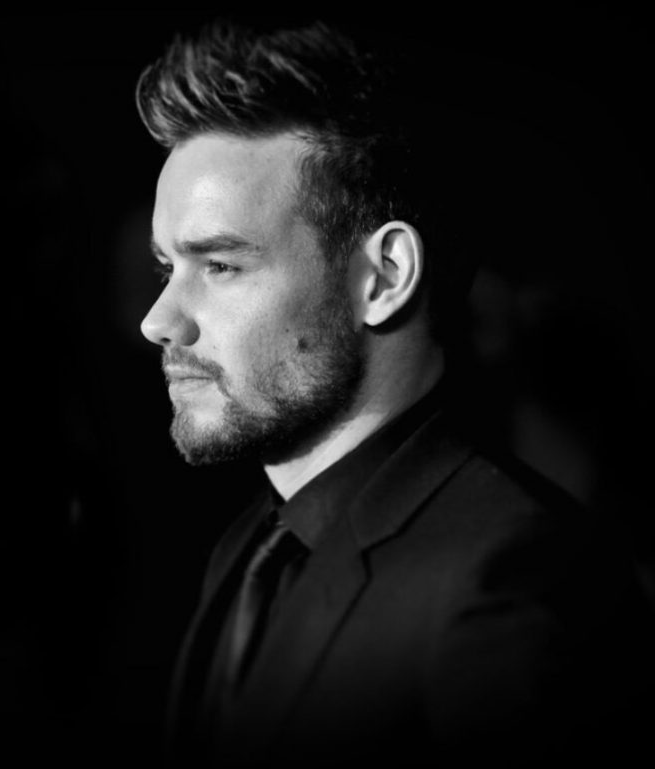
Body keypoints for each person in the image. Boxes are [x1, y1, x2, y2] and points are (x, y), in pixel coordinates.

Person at [134, 20, 654, 768]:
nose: (158, 320)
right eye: (167, 268)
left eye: (220, 266)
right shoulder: (248, 547)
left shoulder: (514, 583)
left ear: (384, 278)